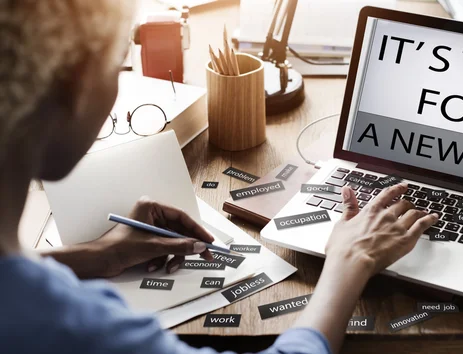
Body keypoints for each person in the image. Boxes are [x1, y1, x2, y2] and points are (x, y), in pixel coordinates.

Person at [0, 1, 438, 353]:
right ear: (72, 87)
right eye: (117, 66)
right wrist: (349, 262)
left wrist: (93, 255)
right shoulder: (80, 329)